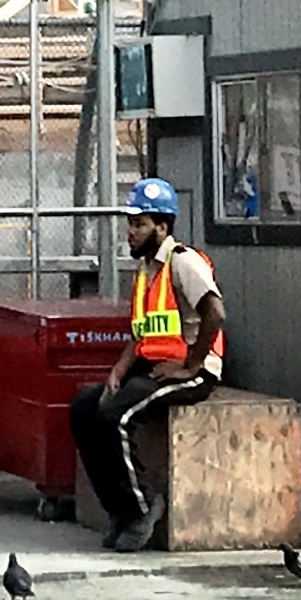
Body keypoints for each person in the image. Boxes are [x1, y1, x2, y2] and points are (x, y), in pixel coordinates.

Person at [72, 176, 225, 551]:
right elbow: (141, 333)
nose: (131, 233)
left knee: (116, 415)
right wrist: (119, 369)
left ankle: (143, 506)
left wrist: (191, 364)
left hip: (190, 372)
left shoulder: (182, 262)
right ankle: (119, 510)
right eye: (130, 225)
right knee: (84, 410)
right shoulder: (145, 272)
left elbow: (215, 313)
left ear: (162, 226)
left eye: (140, 224)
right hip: (152, 367)